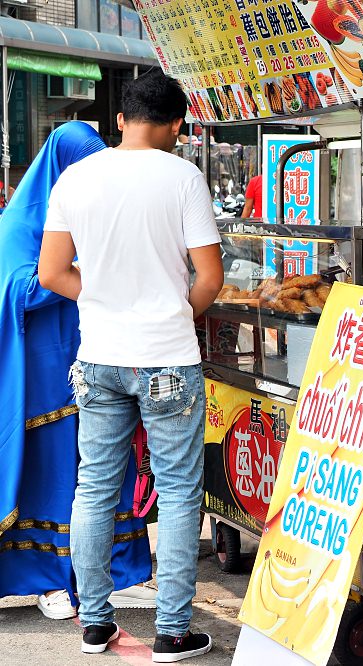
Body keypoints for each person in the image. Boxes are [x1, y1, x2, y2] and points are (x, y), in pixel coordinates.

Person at [38, 71, 223, 661]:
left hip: (97, 358)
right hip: (168, 359)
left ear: (119, 120)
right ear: (175, 125)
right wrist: (172, 316)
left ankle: (94, 624)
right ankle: (172, 632)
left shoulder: (75, 176)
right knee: (176, 493)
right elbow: (210, 277)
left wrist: (105, 300)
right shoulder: (183, 176)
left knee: (92, 490)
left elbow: (52, 273)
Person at [0, 122, 155, 621]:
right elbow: (17, 290)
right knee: (49, 474)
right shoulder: (20, 222)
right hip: (40, 377)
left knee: (96, 473)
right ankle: (46, 581)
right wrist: (71, 271)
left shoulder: (89, 208)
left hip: (94, 358)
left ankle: (94, 578)